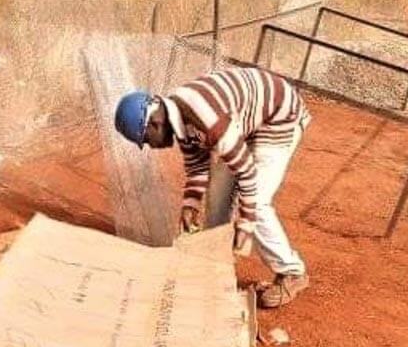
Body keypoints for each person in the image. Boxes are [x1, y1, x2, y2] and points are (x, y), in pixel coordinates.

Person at [114, 65, 310, 309]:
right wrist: (190, 205)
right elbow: (197, 167)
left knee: (256, 203)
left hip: (279, 117)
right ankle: (216, 260)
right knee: (218, 194)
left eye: (145, 140)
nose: (151, 147)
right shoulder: (179, 119)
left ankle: (292, 272)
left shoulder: (203, 117)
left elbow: (246, 171)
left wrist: (245, 227)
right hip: (244, 120)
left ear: (153, 123)